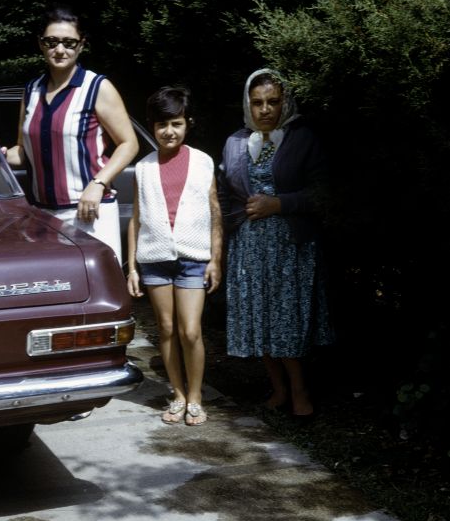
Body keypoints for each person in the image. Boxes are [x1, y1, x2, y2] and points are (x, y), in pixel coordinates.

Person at [218, 68, 333, 420]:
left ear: (285, 103)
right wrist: (232, 225)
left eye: (273, 101)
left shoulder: (302, 139)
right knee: (259, 318)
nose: (265, 109)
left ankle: (299, 390)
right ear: (247, 105)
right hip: (249, 248)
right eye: (257, 103)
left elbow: (323, 192)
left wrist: (281, 203)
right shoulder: (236, 142)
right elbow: (224, 195)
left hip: (290, 248)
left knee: (288, 321)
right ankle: (278, 389)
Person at [3, 4, 138, 264]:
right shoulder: (31, 90)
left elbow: (128, 143)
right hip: (42, 217)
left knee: (97, 296)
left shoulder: (97, 87)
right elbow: (23, 152)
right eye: (52, 42)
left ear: (81, 45)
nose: (60, 49)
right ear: (40, 44)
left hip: (89, 214)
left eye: (69, 42)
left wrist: (98, 184)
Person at [127, 87, 222, 426]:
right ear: (152, 127)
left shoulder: (202, 162)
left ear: (187, 124)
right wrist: (133, 268)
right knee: (166, 329)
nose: (169, 131)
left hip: (194, 259)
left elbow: (214, 212)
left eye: (177, 123)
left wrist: (215, 259)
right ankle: (178, 394)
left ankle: (196, 397)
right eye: (162, 124)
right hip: (154, 259)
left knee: (191, 331)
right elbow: (136, 220)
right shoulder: (143, 168)